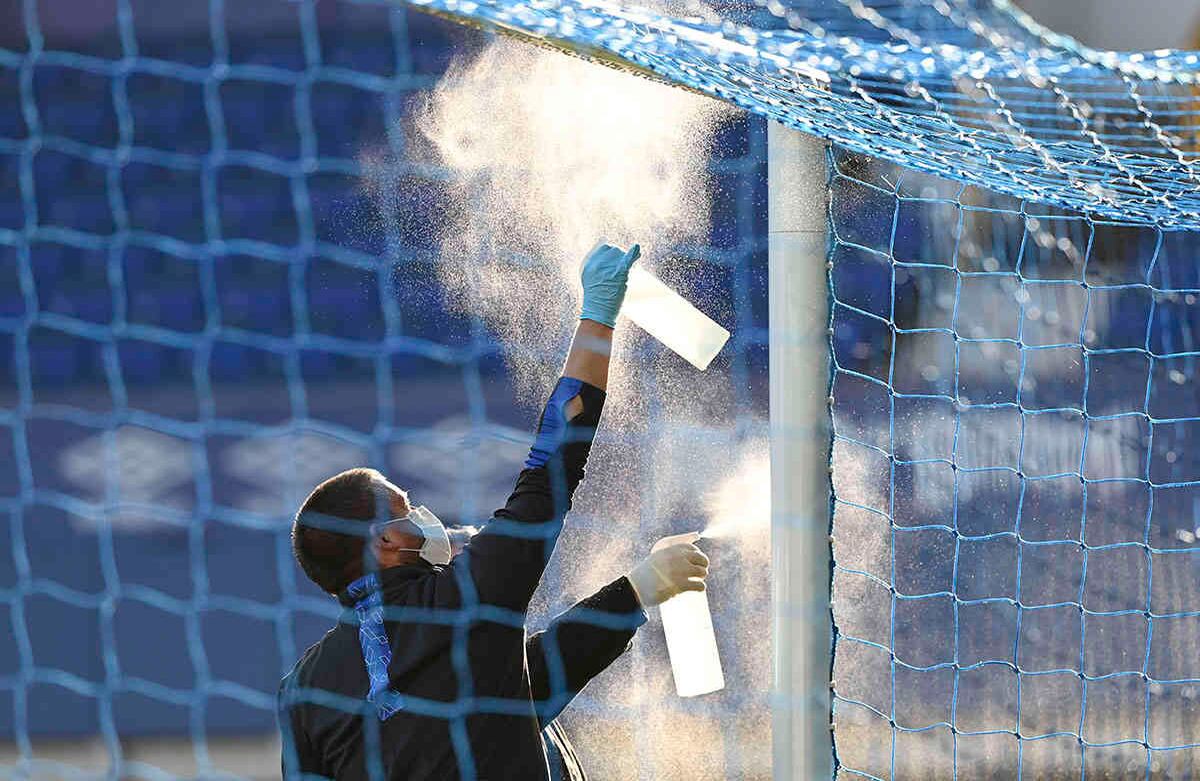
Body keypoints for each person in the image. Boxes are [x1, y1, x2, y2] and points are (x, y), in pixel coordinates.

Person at [278, 242, 711, 780]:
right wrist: (597, 317)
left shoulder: (302, 689)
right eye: (406, 507)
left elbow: (519, 687)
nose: (425, 515)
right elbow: (551, 468)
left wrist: (638, 590)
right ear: (385, 540)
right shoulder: (464, 595)